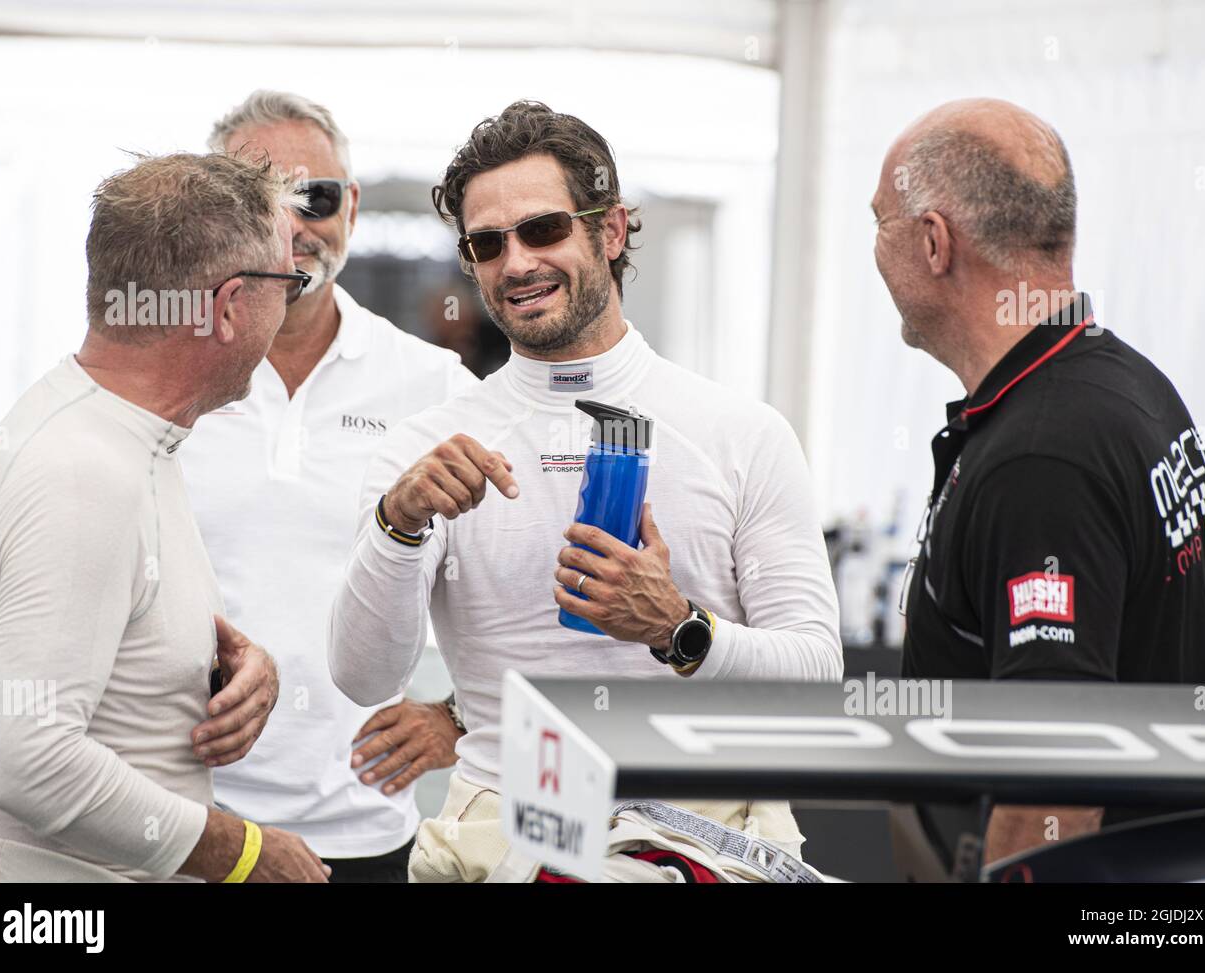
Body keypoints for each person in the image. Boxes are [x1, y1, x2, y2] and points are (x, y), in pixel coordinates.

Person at [328, 101, 843, 883]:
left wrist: (681, 628)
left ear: (611, 231)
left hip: (706, 837)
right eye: (487, 244)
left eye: (543, 230)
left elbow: (817, 682)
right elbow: (363, 676)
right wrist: (397, 526)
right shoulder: (424, 450)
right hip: (504, 833)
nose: (516, 263)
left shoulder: (743, 432)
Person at [0, 152, 329, 882]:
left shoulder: (111, 431)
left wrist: (211, 668)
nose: (289, 311)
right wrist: (248, 852)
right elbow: (29, 761)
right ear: (226, 309)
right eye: (289, 284)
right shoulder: (85, 469)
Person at [871, 98, 1205, 866]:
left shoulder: (1041, 459)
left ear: (935, 242)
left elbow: (1055, 780)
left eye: (880, 223)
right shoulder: (1127, 381)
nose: (874, 249)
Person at [181, 90, 478, 883]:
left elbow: (533, 583)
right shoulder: (166, 371)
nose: (293, 224)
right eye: (260, 198)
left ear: (351, 206)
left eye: (314, 196)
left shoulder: (432, 385)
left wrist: (461, 717)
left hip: (365, 835)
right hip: (187, 830)